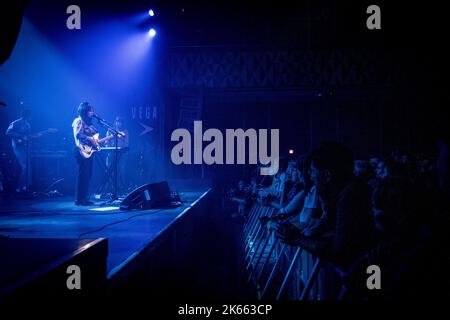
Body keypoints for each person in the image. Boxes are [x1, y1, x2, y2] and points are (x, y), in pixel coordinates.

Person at [72, 102, 98, 206]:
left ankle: (84, 198)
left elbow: (94, 134)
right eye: (90, 111)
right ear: (85, 111)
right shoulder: (78, 121)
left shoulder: (89, 123)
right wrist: (90, 139)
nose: (92, 112)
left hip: (88, 151)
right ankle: (79, 199)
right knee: (82, 175)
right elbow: (78, 135)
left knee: (88, 175)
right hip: (80, 151)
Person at [6, 109, 33, 192]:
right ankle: (19, 187)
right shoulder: (16, 123)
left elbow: (27, 136)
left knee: (28, 167)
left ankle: (26, 186)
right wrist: (20, 136)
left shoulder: (28, 124)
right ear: (27, 115)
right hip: (17, 146)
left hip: (25, 147)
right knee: (25, 166)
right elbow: (8, 132)